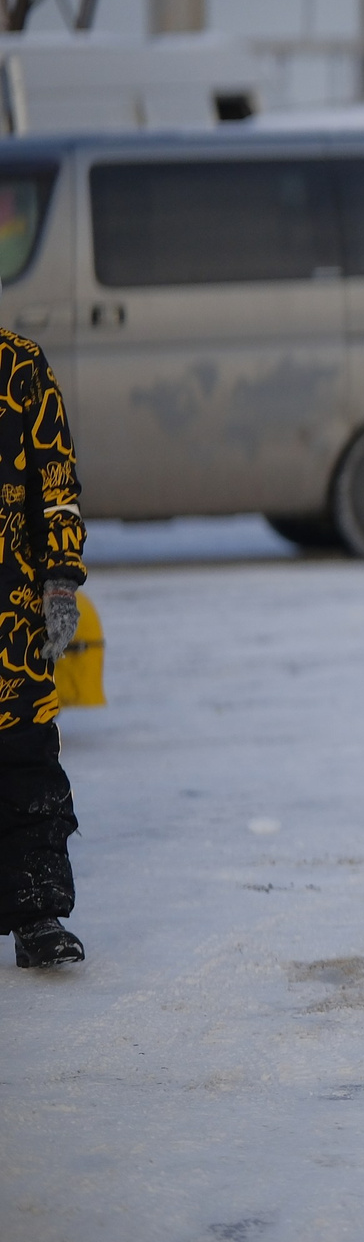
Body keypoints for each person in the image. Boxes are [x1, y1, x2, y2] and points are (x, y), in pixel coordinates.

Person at [0, 330, 87, 968]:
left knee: (26, 760)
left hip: (11, 617)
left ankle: (37, 912)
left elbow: (55, 486)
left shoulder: (20, 365)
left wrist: (59, 580)